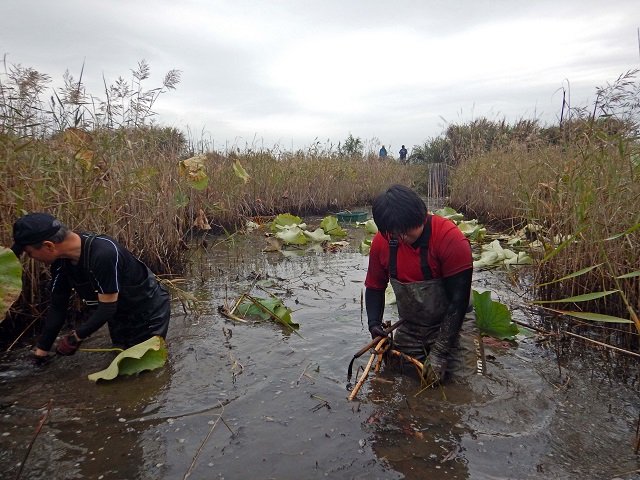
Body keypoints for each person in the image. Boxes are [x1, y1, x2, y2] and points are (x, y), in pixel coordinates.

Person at [11, 212, 171, 362]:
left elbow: (107, 308)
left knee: (141, 367)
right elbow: (57, 307)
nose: (32, 258)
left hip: (148, 311)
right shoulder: (60, 262)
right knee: (119, 357)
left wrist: (76, 337)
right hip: (118, 315)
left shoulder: (103, 253)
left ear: (49, 246)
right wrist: (42, 350)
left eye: (30, 253)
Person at [364, 185, 473, 382]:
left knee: (462, 385)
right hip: (412, 326)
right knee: (403, 379)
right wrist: (374, 324)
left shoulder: (450, 238)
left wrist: (440, 351)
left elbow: (459, 301)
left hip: (455, 321)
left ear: (421, 216)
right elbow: (374, 287)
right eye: (398, 234)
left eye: (409, 231)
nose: (405, 238)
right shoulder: (381, 243)